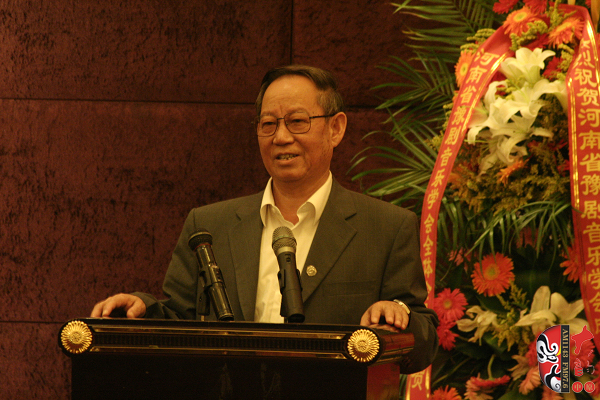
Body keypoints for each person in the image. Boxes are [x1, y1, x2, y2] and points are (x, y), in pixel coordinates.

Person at [91, 65, 438, 373]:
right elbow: (181, 319)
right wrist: (143, 310)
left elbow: (424, 341)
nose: (281, 137)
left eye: (297, 121)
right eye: (269, 124)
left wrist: (397, 318)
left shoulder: (386, 227)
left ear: (336, 128)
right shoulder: (209, 225)